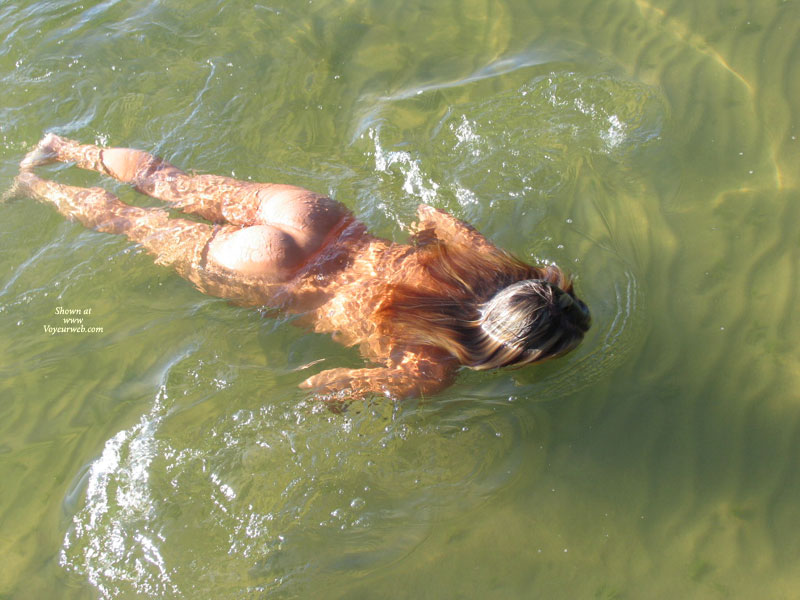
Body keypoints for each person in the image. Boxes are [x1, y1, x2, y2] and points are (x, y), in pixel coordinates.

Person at [11, 133, 590, 400]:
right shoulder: (430, 367)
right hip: (278, 273)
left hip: (323, 222)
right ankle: (30, 186)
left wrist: (418, 243)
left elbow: (432, 215)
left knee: (168, 181)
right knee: (130, 223)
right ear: (500, 354)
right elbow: (323, 383)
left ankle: (59, 148)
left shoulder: (483, 264)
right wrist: (347, 397)